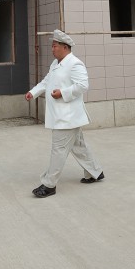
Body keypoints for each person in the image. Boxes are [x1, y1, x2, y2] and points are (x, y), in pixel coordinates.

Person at [26, 29, 103, 197]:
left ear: (65, 47)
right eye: (52, 46)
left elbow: (83, 85)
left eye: (55, 46)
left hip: (67, 117)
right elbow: (47, 81)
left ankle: (49, 185)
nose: (52, 49)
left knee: (58, 150)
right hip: (63, 116)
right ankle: (95, 172)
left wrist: (63, 92)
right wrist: (33, 92)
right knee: (79, 146)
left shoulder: (74, 64)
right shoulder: (56, 64)